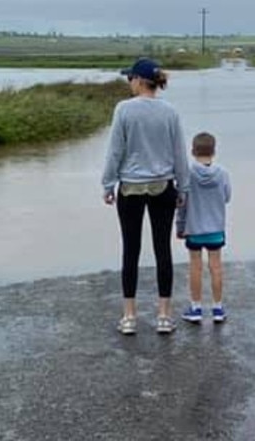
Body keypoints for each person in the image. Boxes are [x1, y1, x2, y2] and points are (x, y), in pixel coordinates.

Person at [101, 57, 191, 336]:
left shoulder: (124, 110)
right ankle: (164, 316)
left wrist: (108, 183)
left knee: (131, 250)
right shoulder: (170, 111)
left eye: (130, 78)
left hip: (130, 188)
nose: (129, 82)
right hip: (163, 186)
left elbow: (116, 149)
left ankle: (129, 317)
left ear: (139, 81)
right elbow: (179, 152)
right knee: (162, 250)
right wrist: (183, 187)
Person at [177, 131, 232, 325]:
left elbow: (181, 201)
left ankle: (196, 307)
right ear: (214, 151)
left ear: (193, 151)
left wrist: (180, 226)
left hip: (194, 229)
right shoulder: (223, 173)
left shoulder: (187, 174)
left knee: (195, 267)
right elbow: (226, 197)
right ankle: (217, 307)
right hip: (216, 228)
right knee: (216, 267)